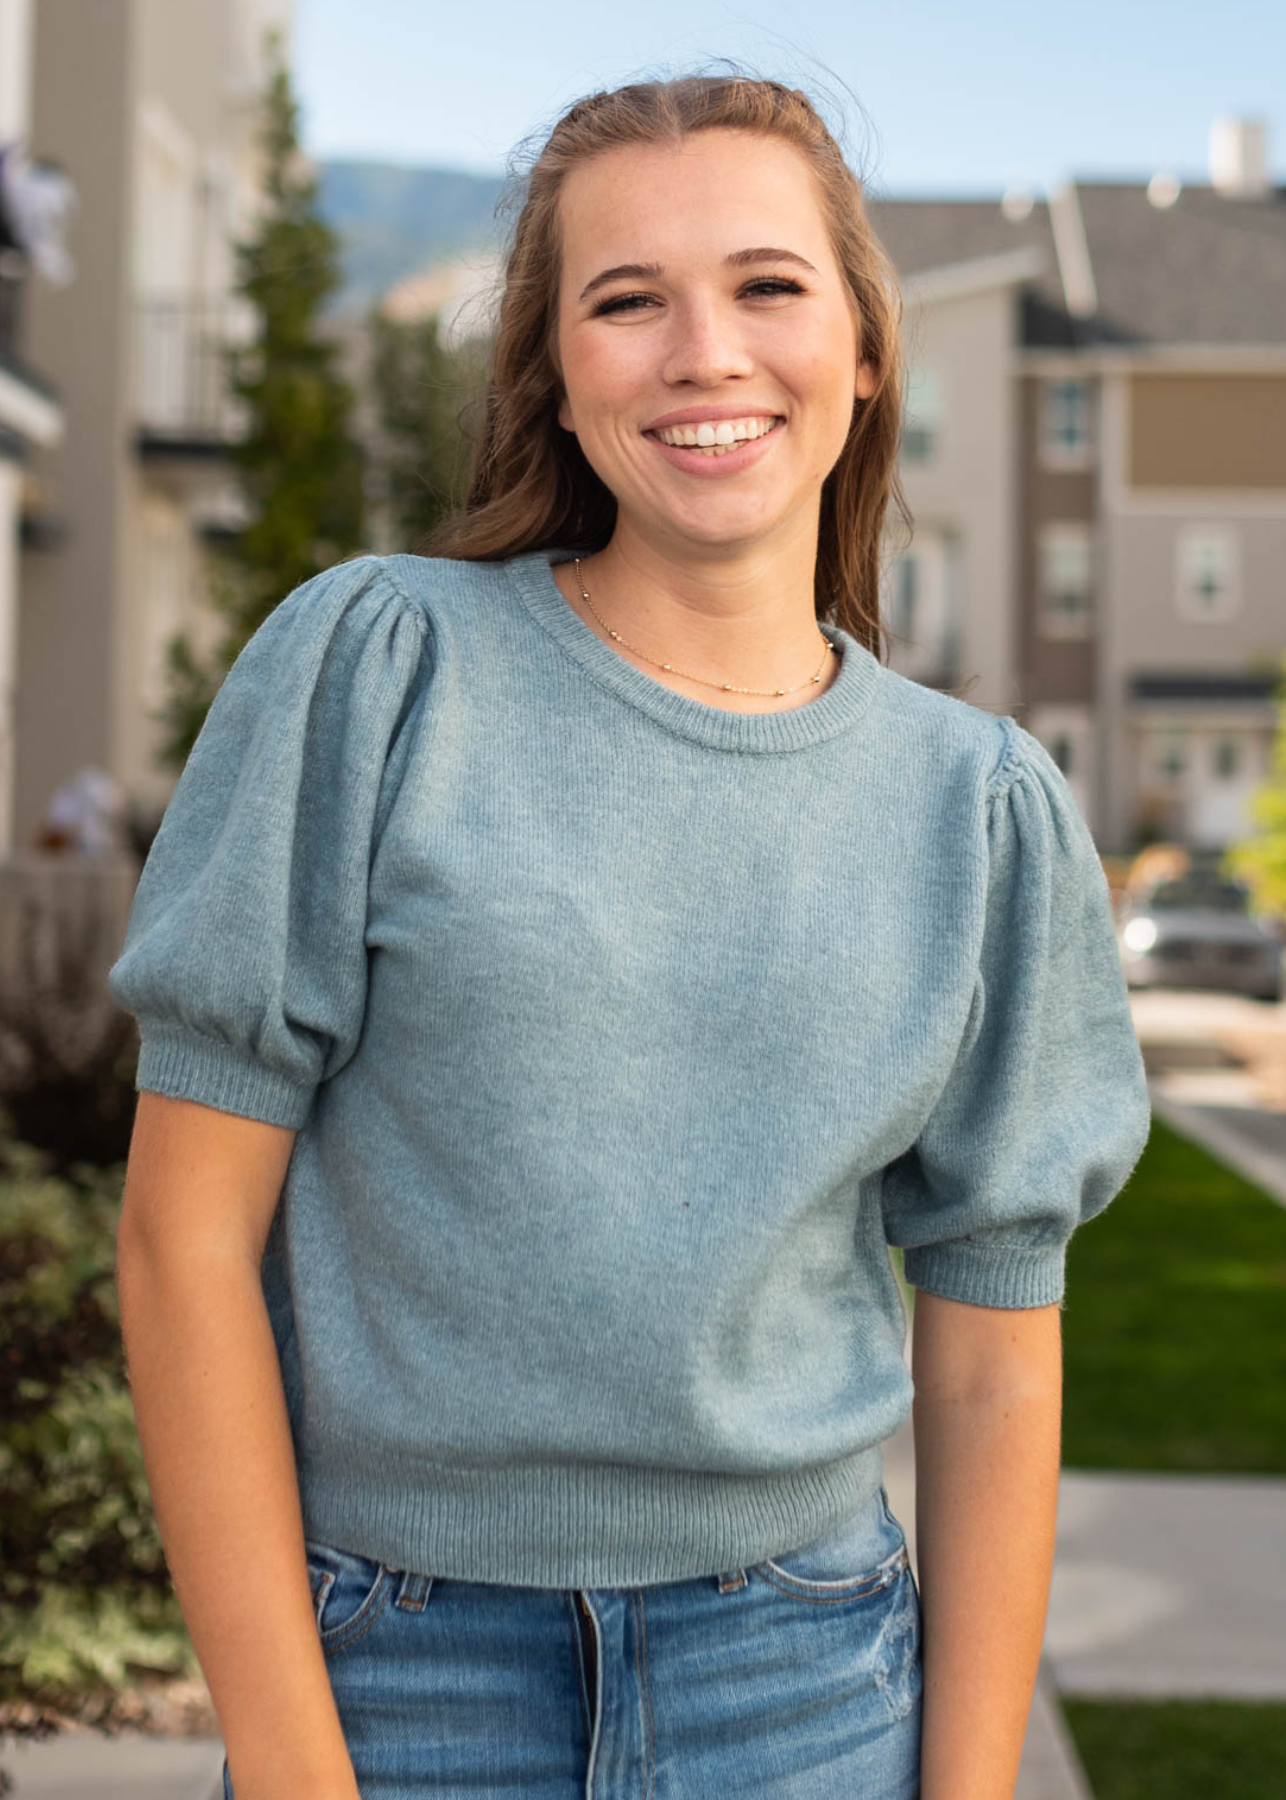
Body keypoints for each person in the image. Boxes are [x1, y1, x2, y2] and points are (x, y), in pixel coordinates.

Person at [106, 72, 1151, 1800]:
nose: (702, 352)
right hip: (396, 1667)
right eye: (624, 301)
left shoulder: (976, 808)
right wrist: (293, 1761)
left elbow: (986, 1358)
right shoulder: (377, 668)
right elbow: (180, 1246)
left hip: (804, 1677)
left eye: (763, 286)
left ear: (863, 351)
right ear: (554, 378)